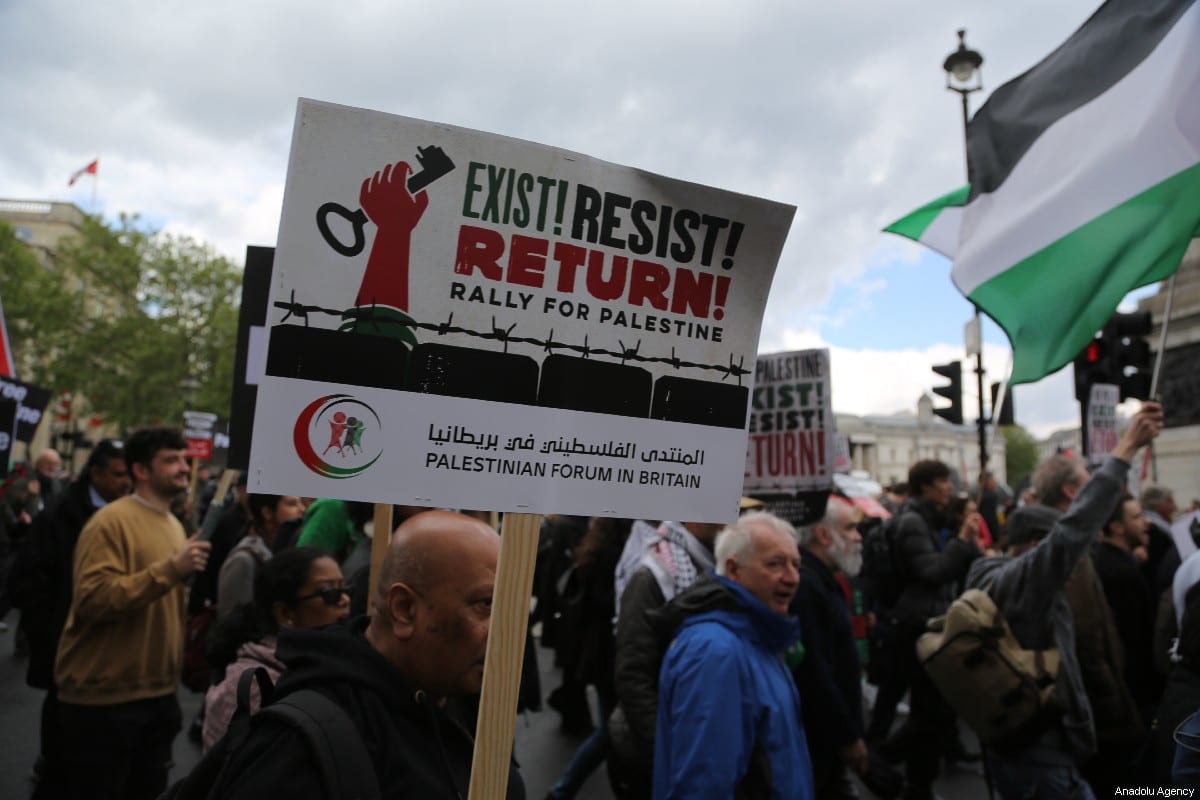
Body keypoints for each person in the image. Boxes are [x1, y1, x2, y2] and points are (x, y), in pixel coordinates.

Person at [205, 509, 524, 798]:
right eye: (485, 604)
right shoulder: (302, 746)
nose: (505, 631)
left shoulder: (469, 701)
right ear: (405, 609)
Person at [966, 401, 1161, 798]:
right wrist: (1125, 449)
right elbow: (1072, 531)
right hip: (1044, 759)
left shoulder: (987, 570)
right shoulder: (1027, 579)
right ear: (1041, 546)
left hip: (1023, 748)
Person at [53, 427, 212, 800]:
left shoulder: (174, 524)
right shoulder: (110, 522)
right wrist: (171, 570)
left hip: (156, 695)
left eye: (183, 458)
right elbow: (93, 599)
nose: (182, 467)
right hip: (104, 700)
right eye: (170, 460)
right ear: (140, 470)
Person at [653, 511, 813, 799]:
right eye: (775, 564)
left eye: (796, 565)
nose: (792, 578)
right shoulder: (715, 652)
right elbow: (703, 784)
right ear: (734, 569)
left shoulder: (757, 638)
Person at [8, 438, 131, 799]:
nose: (125, 482)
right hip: (65, 641)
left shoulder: (126, 513)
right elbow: (27, 581)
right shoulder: (60, 515)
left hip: (106, 648)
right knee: (63, 730)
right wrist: (49, 633)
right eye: (117, 474)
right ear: (95, 473)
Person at [1030, 452, 1145, 795]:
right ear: (1070, 491)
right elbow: (1089, 641)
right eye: (1086, 483)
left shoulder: (1051, 545)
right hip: (1092, 719)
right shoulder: (1069, 554)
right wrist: (1114, 711)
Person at [888, 459, 983, 799]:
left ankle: (916, 778)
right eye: (943, 481)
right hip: (917, 626)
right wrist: (961, 540)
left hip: (927, 622)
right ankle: (890, 765)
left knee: (933, 711)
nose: (949, 487)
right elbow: (931, 571)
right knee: (929, 712)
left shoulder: (926, 519)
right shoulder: (913, 522)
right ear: (926, 485)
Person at [608, 519, 720, 799]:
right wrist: (665, 750)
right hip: (653, 749)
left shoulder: (708, 566)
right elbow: (633, 675)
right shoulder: (652, 575)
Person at [202, 546, 350, 749]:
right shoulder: (251, 685)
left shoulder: (317, 665)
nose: (345, 600)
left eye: (345, 589)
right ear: (284, 613)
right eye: (329, 592)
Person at [546, 517, 633, 800]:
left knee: (611, 730)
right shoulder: (614, 554)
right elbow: (603, 601)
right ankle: (563, 789)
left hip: (600, 654)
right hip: (608, 656)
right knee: (609, 732)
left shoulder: (598, 548)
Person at [791, 496, 868, 799]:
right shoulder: (808, 586)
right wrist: (846, 736)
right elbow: (815, 672)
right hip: (820, 740)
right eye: (850, 528)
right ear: (823, 535)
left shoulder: (822, 580)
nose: (858, 536)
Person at [1095, 493, 1164, 723]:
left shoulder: (1111, 562)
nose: (1146, 522)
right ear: (1117, 527)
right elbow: (1135, 640)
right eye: (1136, 517)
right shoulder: (1122, 573)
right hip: (1133, 698)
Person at [216, 494, 306, 620]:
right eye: (292, 504)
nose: (302, 509)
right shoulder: (243, 560)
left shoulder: (282, 552)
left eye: (301, 503)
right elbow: (231, 624)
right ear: (267, 512)